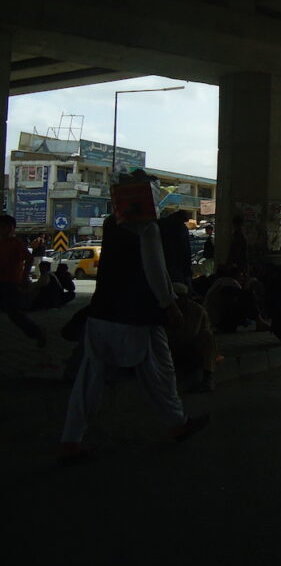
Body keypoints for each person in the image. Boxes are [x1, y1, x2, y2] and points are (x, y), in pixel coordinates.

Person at [59, 172, 209, 463]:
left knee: (88, 381)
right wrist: (170, 305)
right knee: (161, 374)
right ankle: (178, 424)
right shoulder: (147, 229)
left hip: (103, 312)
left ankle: (70, 441)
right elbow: (156, 271)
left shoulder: (111, 224)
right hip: (138, 315)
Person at [0, 215, 46, 348]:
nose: (5, 230)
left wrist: (25, 277)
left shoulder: (16, 243)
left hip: (10, 282)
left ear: (13, 228)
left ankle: (38, 333)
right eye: (2, 227)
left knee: (14, 314)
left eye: (8, 227)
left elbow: (30, 259)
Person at [167, 282, 217, 392]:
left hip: (190, 349)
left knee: (207, 337)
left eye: (179, 297)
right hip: (169, 351)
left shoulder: (197, 310)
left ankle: (208, 377)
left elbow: (198, 333)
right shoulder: (165, 309)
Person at [203, 266, 269, 333]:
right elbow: (244, 296)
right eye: (242, 276)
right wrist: (247, 285)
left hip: (212, 318)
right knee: (247, 296)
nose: (243, 279)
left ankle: (259, 321)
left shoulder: (221, 281)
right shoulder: (231, 282)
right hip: (219, 320)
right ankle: (260, 322)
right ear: (236, 275)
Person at [158, 209, 194, 289]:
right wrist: (188, 272)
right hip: (176, 265)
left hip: (161, 262)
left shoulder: (160, 224)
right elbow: (185, 250)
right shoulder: (180, 227)